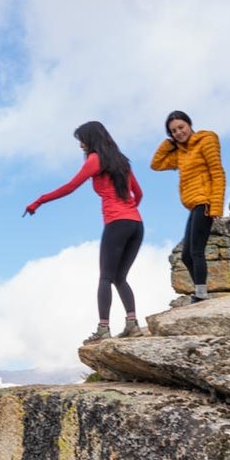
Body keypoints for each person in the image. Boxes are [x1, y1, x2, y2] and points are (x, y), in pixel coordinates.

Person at [24, 122, 144, 343]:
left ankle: (103, 329)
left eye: (82, 139)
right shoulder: (122, 161)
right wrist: (128, 209)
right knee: (120, 277)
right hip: (136, 225)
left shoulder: (95, 160)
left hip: (116, 223)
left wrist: (39, 201)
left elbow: (70, 187)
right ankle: (132, 325)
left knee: (106, 277)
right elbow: (138, 193)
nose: (80, 145)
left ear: (91, 139)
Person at [150, 112, 225, 302]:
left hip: (205, 202)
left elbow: (217, 172)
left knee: (196, 251)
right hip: (194, 205)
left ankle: (201, 294)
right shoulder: (180, 153)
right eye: (173, 131)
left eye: (181, 127)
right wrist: (168, 143)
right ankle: (201, 292)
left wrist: (216, 207)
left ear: (190, 124)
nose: (178, 132)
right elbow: (156, 164)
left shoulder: (206, 140)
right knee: (185, 256)